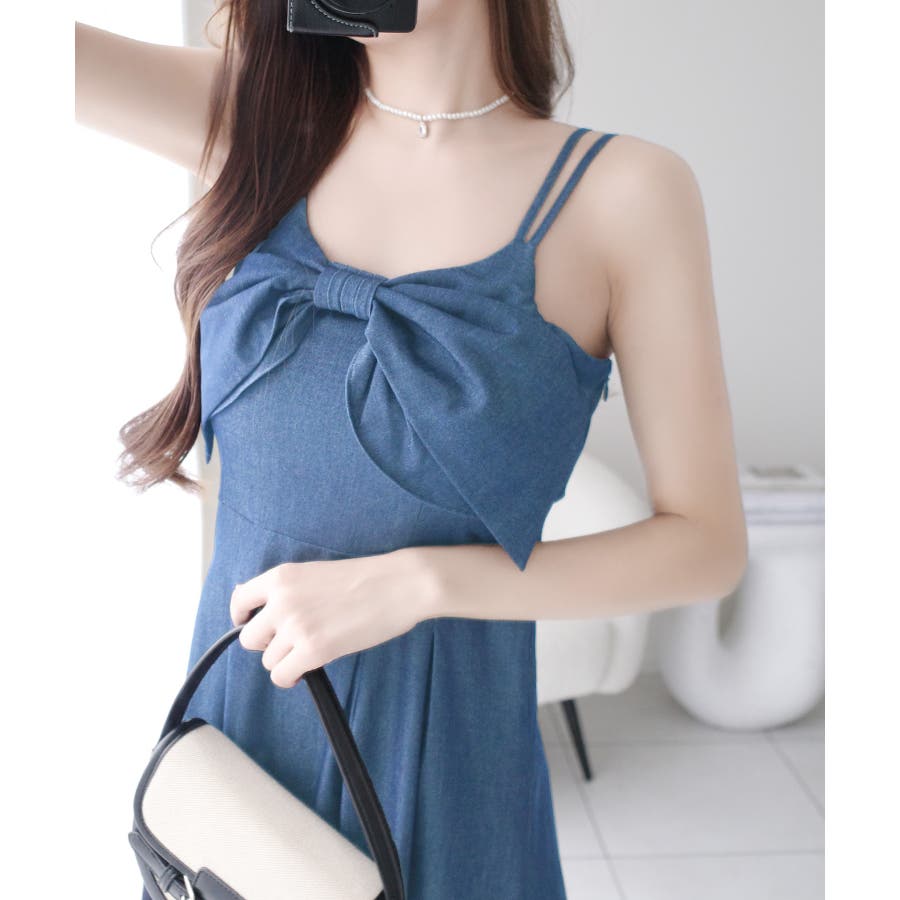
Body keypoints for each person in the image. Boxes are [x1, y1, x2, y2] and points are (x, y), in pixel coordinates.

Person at [75, 2, 748, 897]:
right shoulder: (256, 121)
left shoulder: (624, 193)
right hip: (234, 751)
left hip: (442, 763)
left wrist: (422, 583)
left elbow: (707, 545)